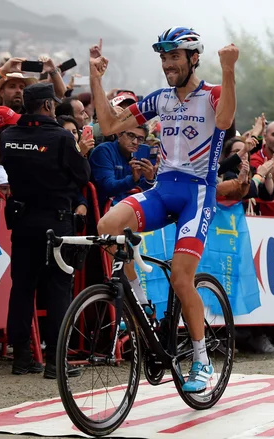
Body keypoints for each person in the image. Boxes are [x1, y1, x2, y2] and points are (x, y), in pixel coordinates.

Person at [89, 27, 238, 392]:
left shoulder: (214, 94)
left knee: (181, 278)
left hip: (197, 195)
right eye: (164, 58)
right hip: (163, 189)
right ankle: (141, 305)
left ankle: (201, 360)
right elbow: (108, 124)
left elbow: (224, 122)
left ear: (193, 58)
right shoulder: (159, 100)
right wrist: (95, 77)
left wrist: (230, 70)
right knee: (107, 226)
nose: (168, 64)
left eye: (175, 57)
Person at [0, 83, 90, 379]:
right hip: (56, 221)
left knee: (22, 289)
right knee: (57, 290)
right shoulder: (63, 138)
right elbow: (82, 175)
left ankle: (22, 357)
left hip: (23, 221)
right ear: (49, 106)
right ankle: (56, 361)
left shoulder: (8, 135)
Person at [88, 124, 157, 209]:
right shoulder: (104, 151)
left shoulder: (140, 156)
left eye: (140, 139)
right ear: (119, 133)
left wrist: (150, 179)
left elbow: (144, 190)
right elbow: (108, 186)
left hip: (131, 207)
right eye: (131, 135)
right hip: (105, 209)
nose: (135, 142)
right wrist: (133, 179)